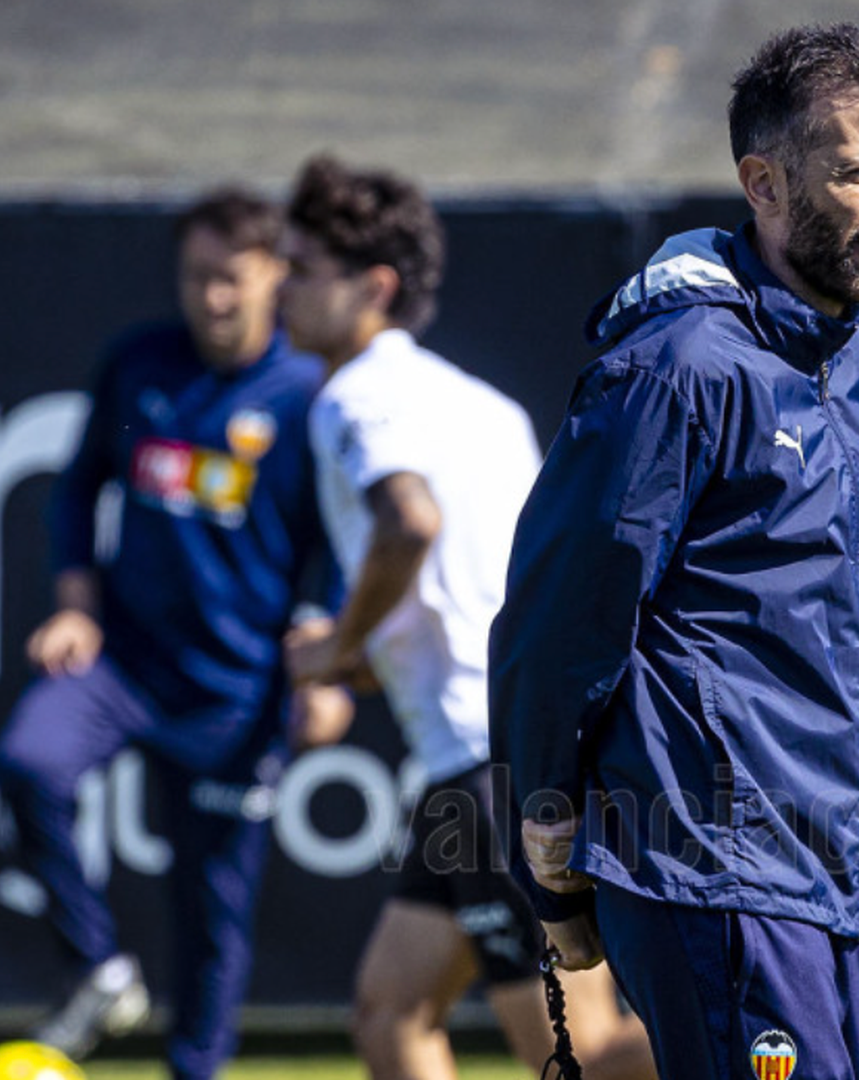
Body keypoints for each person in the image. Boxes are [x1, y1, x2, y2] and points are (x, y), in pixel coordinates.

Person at [489, 22, 859, 1080]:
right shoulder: (676, 367)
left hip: (830, 875)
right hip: (709, 863)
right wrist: (542, 838)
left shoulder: (850, 359)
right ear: (765, 183)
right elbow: (560, 625)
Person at [276, 153, 650, 1080]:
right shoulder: (475, 402)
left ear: (375, 287)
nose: (280, 290)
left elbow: (411, 524)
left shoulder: (354, 396)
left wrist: (336, 649)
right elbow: (490, 585)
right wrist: (369, 658)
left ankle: (806, 1004)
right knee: (390, 1011)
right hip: (493, 757)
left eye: (301, 268)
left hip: (493, 764)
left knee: (583, 1057)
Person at [0, 188, 350, 1080]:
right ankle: (100, 969)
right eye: (198, 278)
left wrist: (324, 674)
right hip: (123, 663)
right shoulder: (140, 363)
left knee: (211, 912)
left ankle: (196, 1071)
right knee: (30, 761)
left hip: (236, 694)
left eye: (231, 279)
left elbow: (345, 547)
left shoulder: (310, 393)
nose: (213, 299)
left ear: (274, 276)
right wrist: (75, 606)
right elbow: (76, 492)